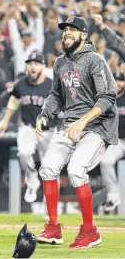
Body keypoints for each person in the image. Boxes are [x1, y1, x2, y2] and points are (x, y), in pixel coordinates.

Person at [35, 16, 118, 248]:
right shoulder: (60, 62)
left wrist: (83, 121)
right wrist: (44, 114)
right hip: (70, 125)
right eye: (65, 30)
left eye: (73, 30)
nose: (67, 33)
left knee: (76, 170)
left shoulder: (95, 60)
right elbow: (56, 95)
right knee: (48, 168)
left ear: (84, 35)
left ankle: (90, 231)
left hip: (97, 126)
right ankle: (53, 228)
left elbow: (107, 97)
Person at [0, 51, 57, 203]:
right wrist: (5, 121)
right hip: (28, 127)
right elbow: (13, 102)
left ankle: (49, 202)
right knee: (23, 153)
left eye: (36, 63)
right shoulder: (20, 84)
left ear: (42, 66)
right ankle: (32, 182)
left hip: (48, 130)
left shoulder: (52, 85)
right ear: (27, 67)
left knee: (49, 167)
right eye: (30, 63)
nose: (33, 66)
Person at [100, 73, 125, 212]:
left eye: (121, 80)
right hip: (119, 141)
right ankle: (113, 196)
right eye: (116, 80)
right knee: (106, 161)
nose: (118, 83)